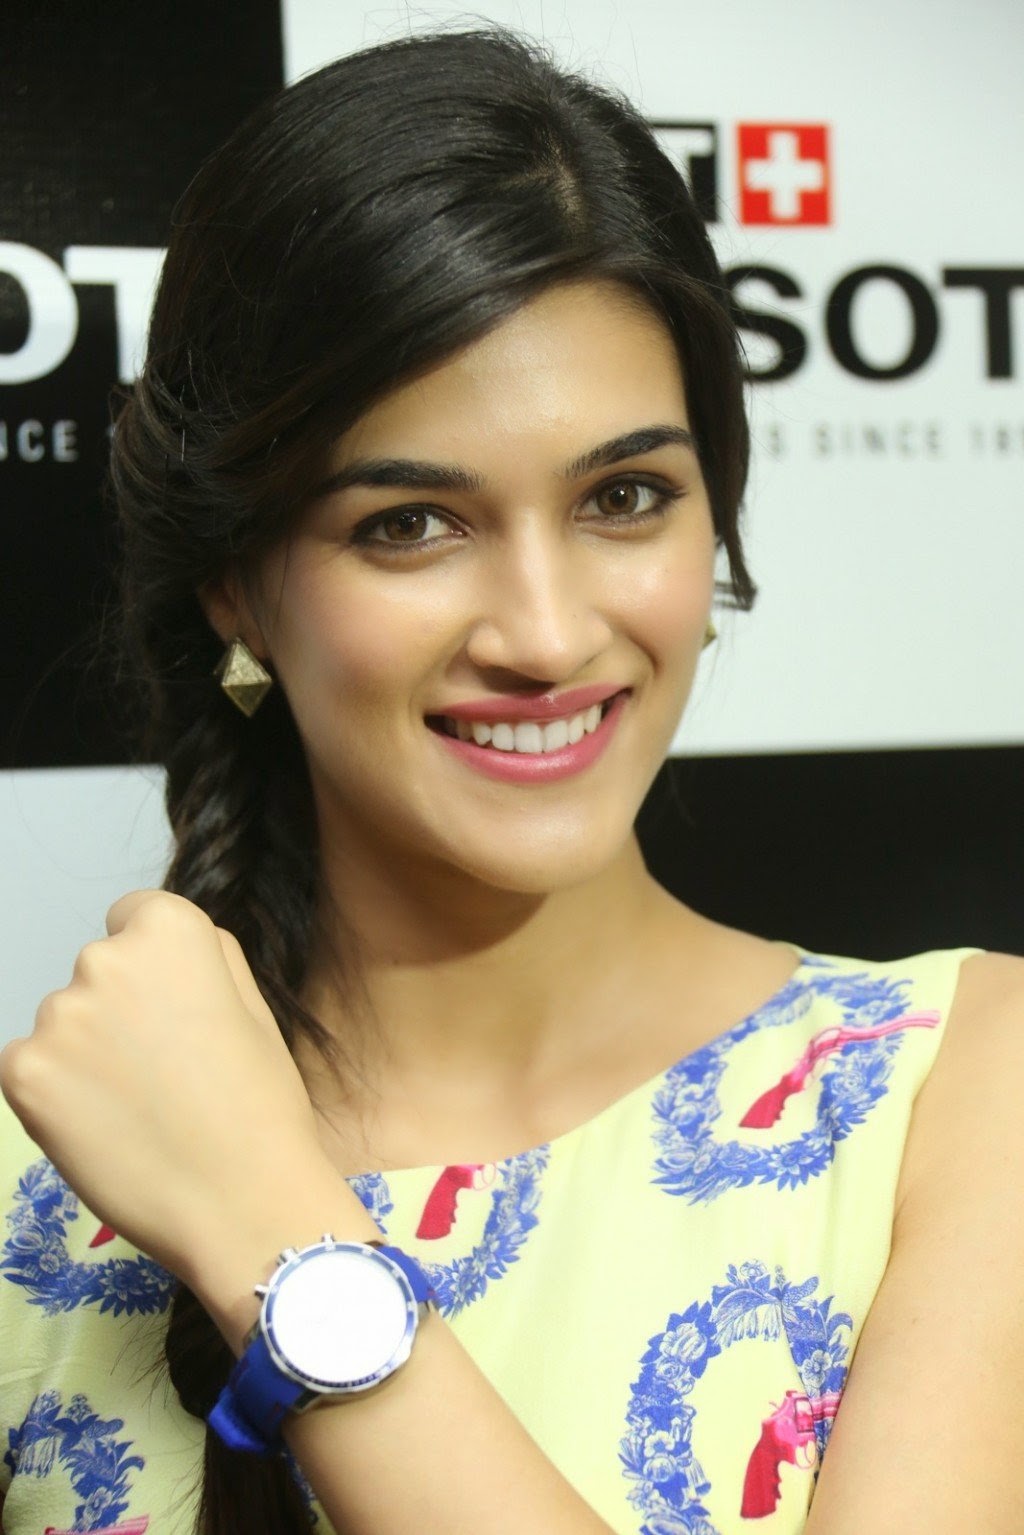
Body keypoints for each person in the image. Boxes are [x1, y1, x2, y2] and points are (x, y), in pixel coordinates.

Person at [0, 24, 1021, 1535]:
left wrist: (276, 1232)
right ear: (237, 585)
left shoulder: (965, 1088)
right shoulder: (37, 1195)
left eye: (626, 496)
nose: (546, 635)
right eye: (410, 524)